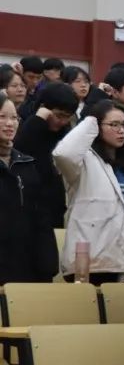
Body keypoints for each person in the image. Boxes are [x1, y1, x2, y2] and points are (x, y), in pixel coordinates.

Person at [52, 100, 124, 285]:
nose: (121, 130)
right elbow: (63, 154)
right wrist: (91, 120)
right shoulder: (84, 161)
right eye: (113, 124)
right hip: (90, 265)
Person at [0, 92, 58, 283]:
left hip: (26, 264)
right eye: (2, 117)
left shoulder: (27, 164)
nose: (10, 123)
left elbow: (42, 218)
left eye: (14, 118)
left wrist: (48, 264)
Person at [14, 81, 78, 227]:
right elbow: (19, 149)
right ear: (43, 108)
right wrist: (38, 120)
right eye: (59, 115)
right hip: (28, 210)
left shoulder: (65, 136)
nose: (63, 121)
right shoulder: (28, 128)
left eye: (67, 117)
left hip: (54, 211)